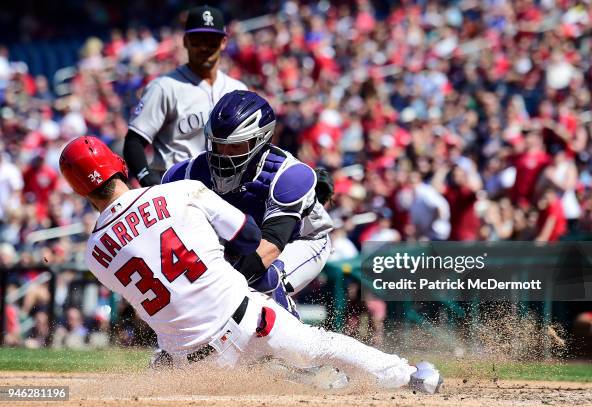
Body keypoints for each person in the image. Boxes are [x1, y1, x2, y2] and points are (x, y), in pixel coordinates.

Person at [59, 136, 442, 393]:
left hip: (193, 363)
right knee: (318, 344)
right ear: (120, 166)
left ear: (79, 190)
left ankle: (286, 374)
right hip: (251, 322)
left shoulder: (95, 252)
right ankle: (410, 377)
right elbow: (247, 237)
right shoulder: (179, 191)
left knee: (164, 367)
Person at [162, 90, 335, 315]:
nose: (223, 155)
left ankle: (292, 346)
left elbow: (271, 245)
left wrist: (219, 287)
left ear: (260, 140)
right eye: (218, 145)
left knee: (265, 281)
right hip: (240, 242)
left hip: (301, 240)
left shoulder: (287, 175)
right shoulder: (184, 175)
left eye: (235, 146)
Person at [123, 5, 247, 187]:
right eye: (197, 40)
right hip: (179, 188)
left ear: (223, 42)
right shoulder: (164, 87)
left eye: (212, 40)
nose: (204, 47)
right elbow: (134, 142)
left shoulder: (237, 89)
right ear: (185, 41)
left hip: (227, 189)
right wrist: (149, 181)